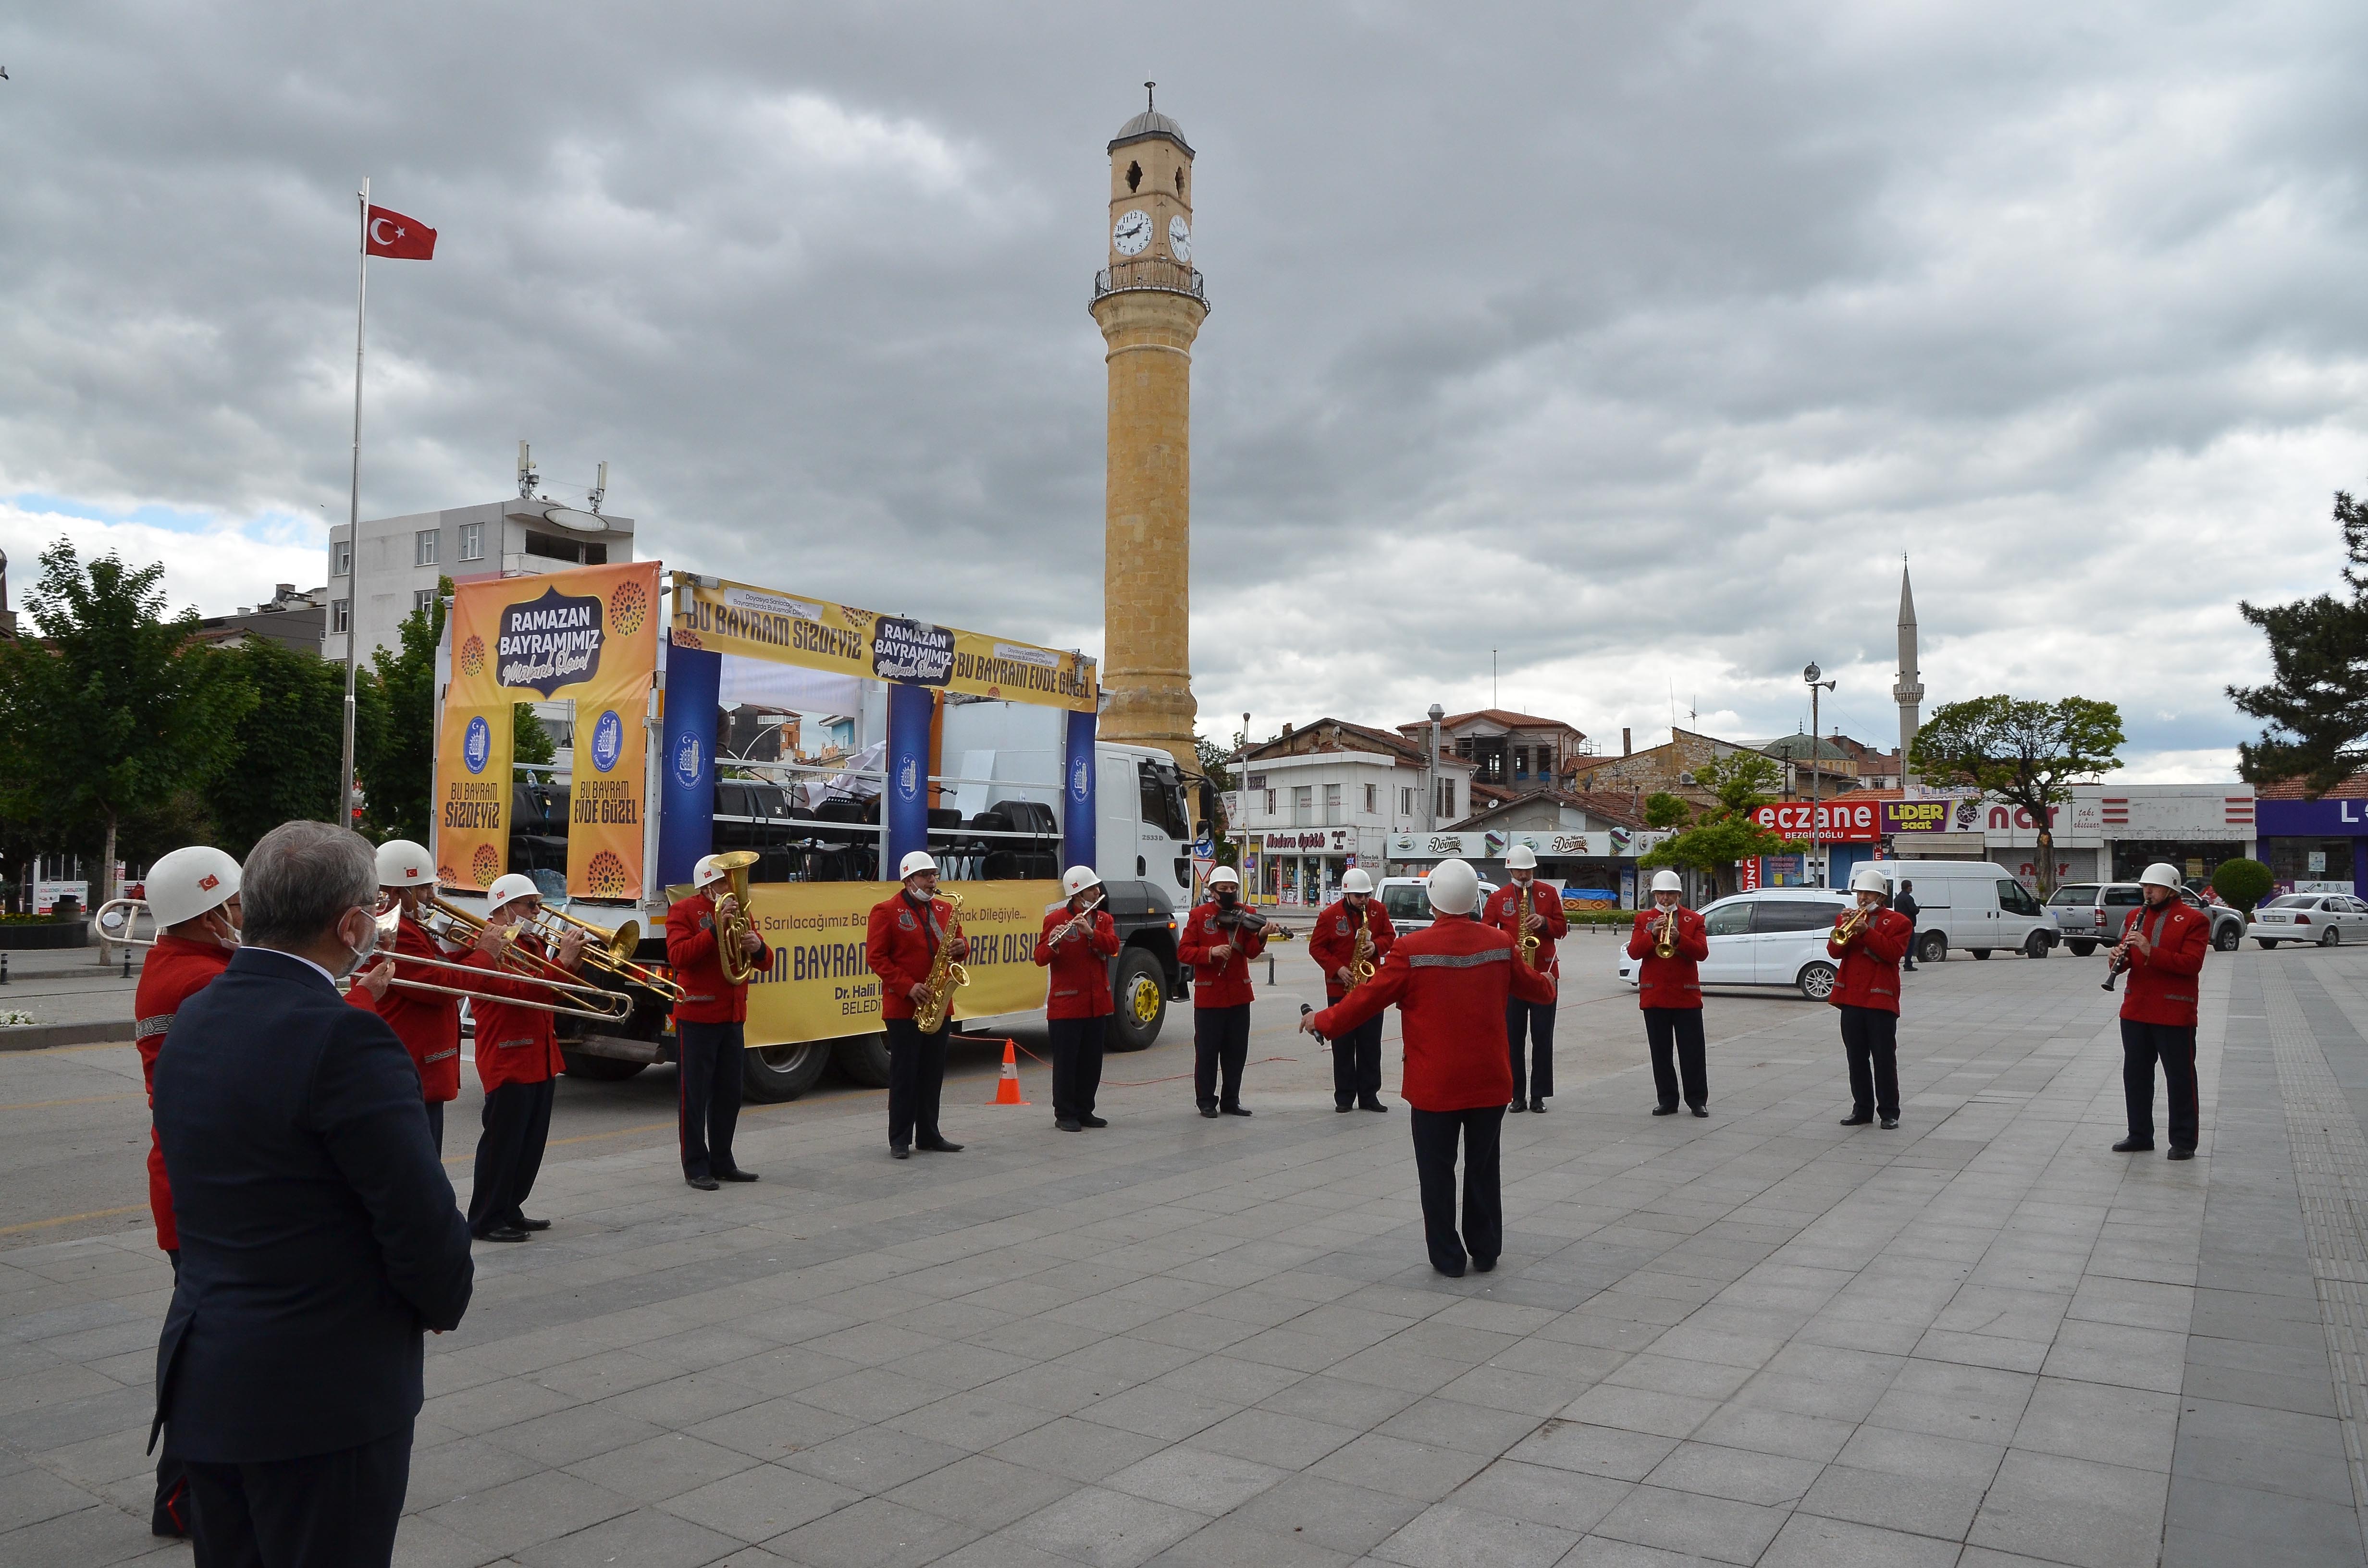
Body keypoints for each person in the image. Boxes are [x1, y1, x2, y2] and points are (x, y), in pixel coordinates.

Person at [150, 820, 472, 1568]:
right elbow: (421, 1221)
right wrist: (440, 1302)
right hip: (322, 1400)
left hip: (210, 1380)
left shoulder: (198, 1014)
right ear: (353, 924)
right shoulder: (348, 1040)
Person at [1301, 859, 1555, 1276]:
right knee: (1484, 1167)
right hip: (1490, 1083)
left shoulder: (1411, 949)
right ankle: (1486, 1249)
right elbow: (1535, 989)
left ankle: (1448, 1258)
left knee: (1437, 1175)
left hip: (1435, 1085)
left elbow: (1367, 1001)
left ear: (1433, 901)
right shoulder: (1499, 943)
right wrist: (1549, 983)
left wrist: (1322, 1021)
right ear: (1475, 898)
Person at [131, 845, 243, 1540]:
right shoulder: (201, 981)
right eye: (234, 904)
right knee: (209, 1360)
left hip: (196, 1183)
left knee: (211, 1350)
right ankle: (180, 1501)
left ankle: (197, 1491)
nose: (244, 914)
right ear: (207, 917)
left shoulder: (184, 961)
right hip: (207, 1191)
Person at [463, 874, 587, 1241]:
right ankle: (485, 1218)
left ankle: (510, 1207)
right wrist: (562, 961)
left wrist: (574, 965)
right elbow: (519, 991)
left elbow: (553, 995)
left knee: (529, 1144)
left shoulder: (530, 941)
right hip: (508, 1057)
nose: (538, 911)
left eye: (537, 904)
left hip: (540, 1055)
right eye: (530, 905)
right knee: (502, 1144)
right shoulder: (486, 945)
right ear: (504, 908)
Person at [345, 840, 462, 1151]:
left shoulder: (411, 927)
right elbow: (437, 987)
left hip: (419, 1065)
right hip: (414, 1064)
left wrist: (474, 952)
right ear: (399, 893)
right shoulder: (398, 932)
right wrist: (485, 956)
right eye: (424, 889)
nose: (431, 897)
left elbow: (442, 969)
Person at [668, 855, 771, 1190]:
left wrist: (757, 947)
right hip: (697, 1015)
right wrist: (714, 930)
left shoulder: (741, 911)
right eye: (726, 882)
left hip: (732, 1015)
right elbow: (679, 957)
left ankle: (723, 1160)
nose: (732, 888)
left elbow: (766, 963)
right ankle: (695, 1165)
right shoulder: (683, 911)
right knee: (694, 1095)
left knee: (729, 1093)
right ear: (709, 885)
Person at [867, 851, 971, 1159]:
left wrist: (962, 948)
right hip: (904, 1007)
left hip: (939, 1004)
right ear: (909, 878)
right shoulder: (886, 910)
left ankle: (929, 1134)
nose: (932, 880)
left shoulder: (944, 908)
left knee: (932, 1072)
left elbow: (962, 943)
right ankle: (899, 1138)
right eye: (926, 875)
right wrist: (907, 986)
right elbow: (876, 957)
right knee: (905, 1073)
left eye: (935, 875)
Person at [2112, 861, 2209, 1160]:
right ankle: (2139, 1134)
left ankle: (2183, 1141)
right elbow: (2129, 960)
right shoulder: (2134, 916)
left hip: (2173, 1009)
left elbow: (2191, 964)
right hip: (2136, 1008)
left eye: (2153, 887)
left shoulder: (2194, 920)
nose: (2147, 892)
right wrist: (2118, 957)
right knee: (2136, 1075)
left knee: (2180, 1078)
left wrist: (2149, 950)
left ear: (2171, 888)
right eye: (2144, 887)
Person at [1178, 864, 1266, 1117]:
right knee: (1207, 1052)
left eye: (1233, 888)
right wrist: (1211, 952)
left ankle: (1231, 1099)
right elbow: (1184, 951)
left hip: (1239, 994)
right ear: (1213, 891)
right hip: (1210, 996)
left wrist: (1262, 936)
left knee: (1237, 1051)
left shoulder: (1246, 913)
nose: (1230, 892)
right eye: (1224, 888)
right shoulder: (1199, 915)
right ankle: (1206, 1100)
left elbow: (1250, 951)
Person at [1035, 865, 1119, 1131]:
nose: (1098, 892)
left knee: (1092, 1061)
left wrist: (1092, 934)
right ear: (1078, 893)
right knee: (1067, 1062)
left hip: (1097, 1003)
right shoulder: (1056, 919)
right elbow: (1040, 958)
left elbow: (1114, 947)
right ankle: (1065, 1113)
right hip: (1067, 1004)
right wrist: (1055, 944)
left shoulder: (1104, 919)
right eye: (1093, 889)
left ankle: (1085, 1109)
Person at [1485, 845, 1567, 1113]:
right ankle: (1516, 1095)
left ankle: (1539, 1095)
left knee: (1543, 1038)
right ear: (1510, 870)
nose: (1523, 875)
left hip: (1544, 973)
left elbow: (1562, 929)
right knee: (1512, 1038)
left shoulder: (1549, 893)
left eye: (1528, 870)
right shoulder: (1498, 898)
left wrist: (1544, 922)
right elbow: (1487, 933)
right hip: (1512, 977)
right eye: (1519, 870)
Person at [1307, 867, 1396, 1112]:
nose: (1364, 900)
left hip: (1370, 988)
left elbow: (1390, 936)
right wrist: (1338, 969)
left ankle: (1369, 1096)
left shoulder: (1378, 910)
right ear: (1347, 894)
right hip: (1341, 987)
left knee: (1370, 1044)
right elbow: (1316, 948)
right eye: (1359, 896)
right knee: (1343, 1044)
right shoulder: (1329, 916)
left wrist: (1376, 947)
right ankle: (1345, 1097)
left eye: (1367, 895)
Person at [1830, 865, 1913, 1129]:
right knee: (1856, 1057)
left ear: (1882, 897)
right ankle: (1862, 1109)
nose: (1863, 898)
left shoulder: (1899, 922)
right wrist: (1846, 927)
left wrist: (1866, 931)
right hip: (1852, 998)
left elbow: (1891, 953)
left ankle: (1889, 1111)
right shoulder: (1846, 919)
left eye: (1869, 893)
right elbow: (1834, 951)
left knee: (1884, 1058)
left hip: (1880, 999)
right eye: (1860, 893)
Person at [1626, 869, 1710, 1116]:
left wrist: (1679, 939)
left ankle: (1697, 1100)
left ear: (1679, 895)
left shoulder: (1694, 920)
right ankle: (1667, 1099)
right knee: (1660, 1052)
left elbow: (1702, 953)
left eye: (1670, 894)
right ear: (1654, 895)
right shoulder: (1644, 920)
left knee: (1693, 1051)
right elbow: (1634, 952)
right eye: (1661, 894)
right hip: (1655, 995)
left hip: (1687, 996)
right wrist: (1653, 934)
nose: (1665, 899)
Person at [1896, 879, 1922, 971]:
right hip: (1909, 924)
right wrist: (1918, 909)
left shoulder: (1898, 898)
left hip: (1899, 924)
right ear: (1908, 887)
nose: (1912, 888)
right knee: (1910, 945)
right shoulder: (1908, 898)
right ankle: (1908, 964)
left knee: (1900, 945)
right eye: (1911, 886)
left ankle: (1896, 963)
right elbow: (1913, 911)